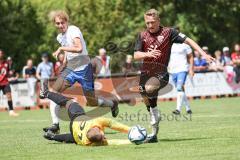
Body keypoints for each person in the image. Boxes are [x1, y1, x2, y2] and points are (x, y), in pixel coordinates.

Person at [133, 9, 214, 143]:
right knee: (144, 94)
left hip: (162, 73)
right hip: (145, 73)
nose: (150, 25)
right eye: (147, 23)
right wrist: (147, 54)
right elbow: (136, 55)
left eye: (153, 22)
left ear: (159, 21)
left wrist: (203, 54)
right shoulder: (141, 36)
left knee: (149, 89)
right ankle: (154, 131)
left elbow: (189, 40)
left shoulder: (169, 33)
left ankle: (154, 115)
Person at [44, 10, 118, 134]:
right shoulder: (59, 37)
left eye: (62, 22)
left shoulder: (73, 30)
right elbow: (69, 50)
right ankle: (55, 125)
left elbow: (79, 48)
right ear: (55, 24)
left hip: (84, 68)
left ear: (66, 21)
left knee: (91, 102)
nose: (60, 25)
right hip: (71, 68)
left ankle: (112, 104)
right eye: (57, 23)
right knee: (53, 93)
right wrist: (64, 62)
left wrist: (61, 48)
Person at [40, 80, 130, 146]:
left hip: (77, 117)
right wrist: (132, 137)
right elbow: (115, 138)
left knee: (69, 102)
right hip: (75, 131)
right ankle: (53, 136)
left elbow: (113, 126)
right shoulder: (86, 142)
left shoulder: (95, 125)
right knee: (72, 138)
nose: (104, 136)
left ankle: (46, 93)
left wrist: (130, 130)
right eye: (103, 136)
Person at [168, 27, 194, 115]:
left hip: (183, 68)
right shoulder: (169, 44)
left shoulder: (185, 44)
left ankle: (178, 109)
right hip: (173, 70)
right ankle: (188, 108)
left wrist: (191, 69)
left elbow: (191, 57)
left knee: (179, 88)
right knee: (181, 90)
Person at [0, 49, 19, 116]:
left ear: (3, 54)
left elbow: (7, 72)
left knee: (9, 96)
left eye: (1, 53)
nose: (0, 54)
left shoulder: (6, 63)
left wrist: (11, 75)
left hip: (5, 82)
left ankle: (11, 111)